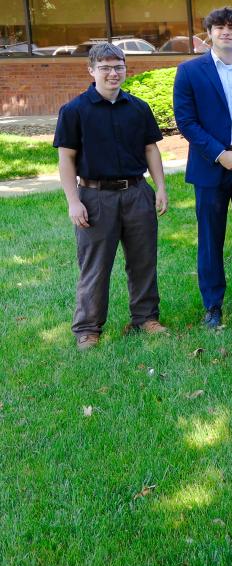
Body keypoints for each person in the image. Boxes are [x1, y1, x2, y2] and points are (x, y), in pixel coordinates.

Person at [55, 43, 169, 350]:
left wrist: (159, 188)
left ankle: (145, 318)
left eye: (118, 66)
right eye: (105, 67)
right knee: (95, 265)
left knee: (143, 261)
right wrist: (73, 201)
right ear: (91, 71)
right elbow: (66, 159)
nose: (112, 72)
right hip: (94, 197)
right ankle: (88, 328)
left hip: (136, 193)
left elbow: (150, 149)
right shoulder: (74, 110)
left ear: (125, 69)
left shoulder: (138, 108)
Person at [173, 6, 232, 329]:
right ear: (210, 33)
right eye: (219, 27)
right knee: (210, 238)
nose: (226, 32)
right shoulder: (189, 71)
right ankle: (212, 304)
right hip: (210, 167)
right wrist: (219, 154)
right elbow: (186, 121)